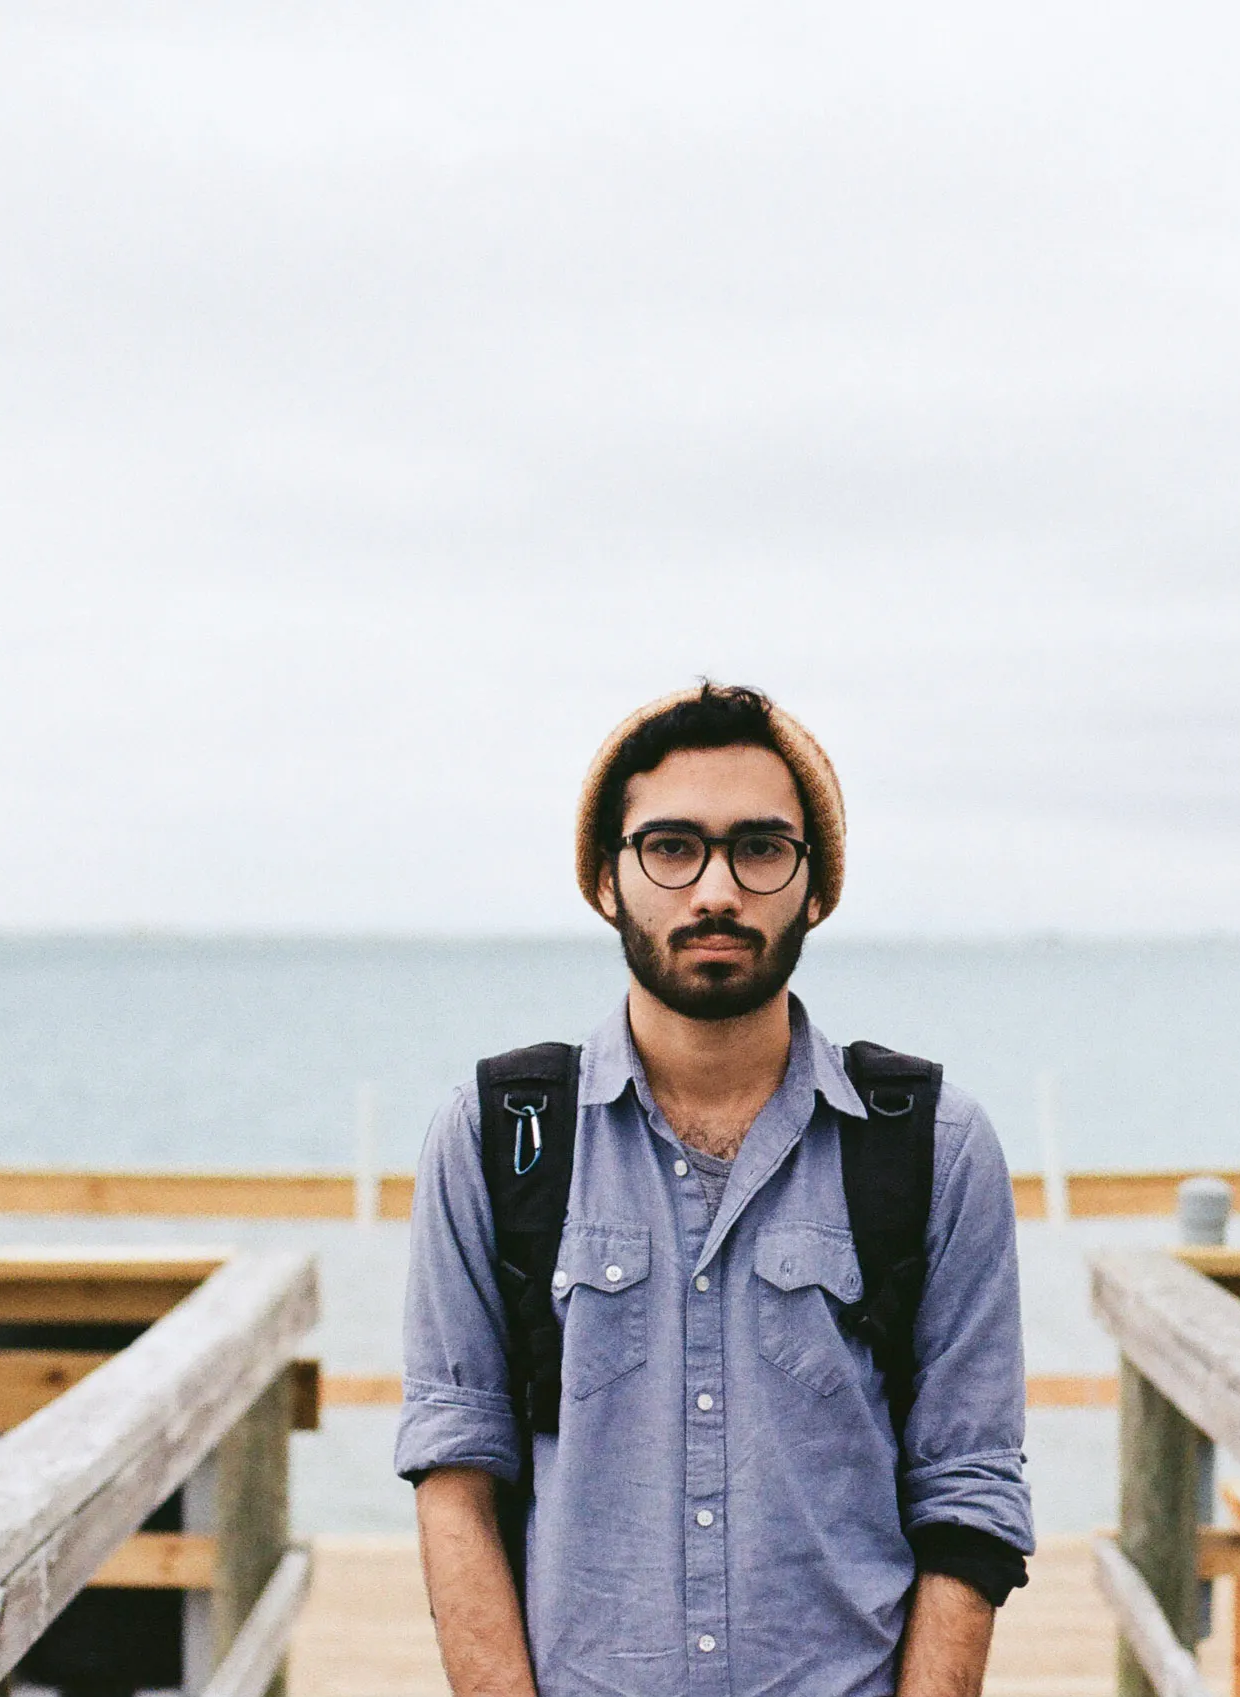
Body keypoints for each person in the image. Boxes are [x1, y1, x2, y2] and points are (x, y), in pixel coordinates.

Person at [397, 682, 1033, 1697]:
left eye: (760, 847)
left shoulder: (933, 1143)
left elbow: (968, 1489)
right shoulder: (498, 1134)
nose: (715, 890)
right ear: (605, 879)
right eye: (670, 846)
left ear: (814, 885)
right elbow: (455, 1473)